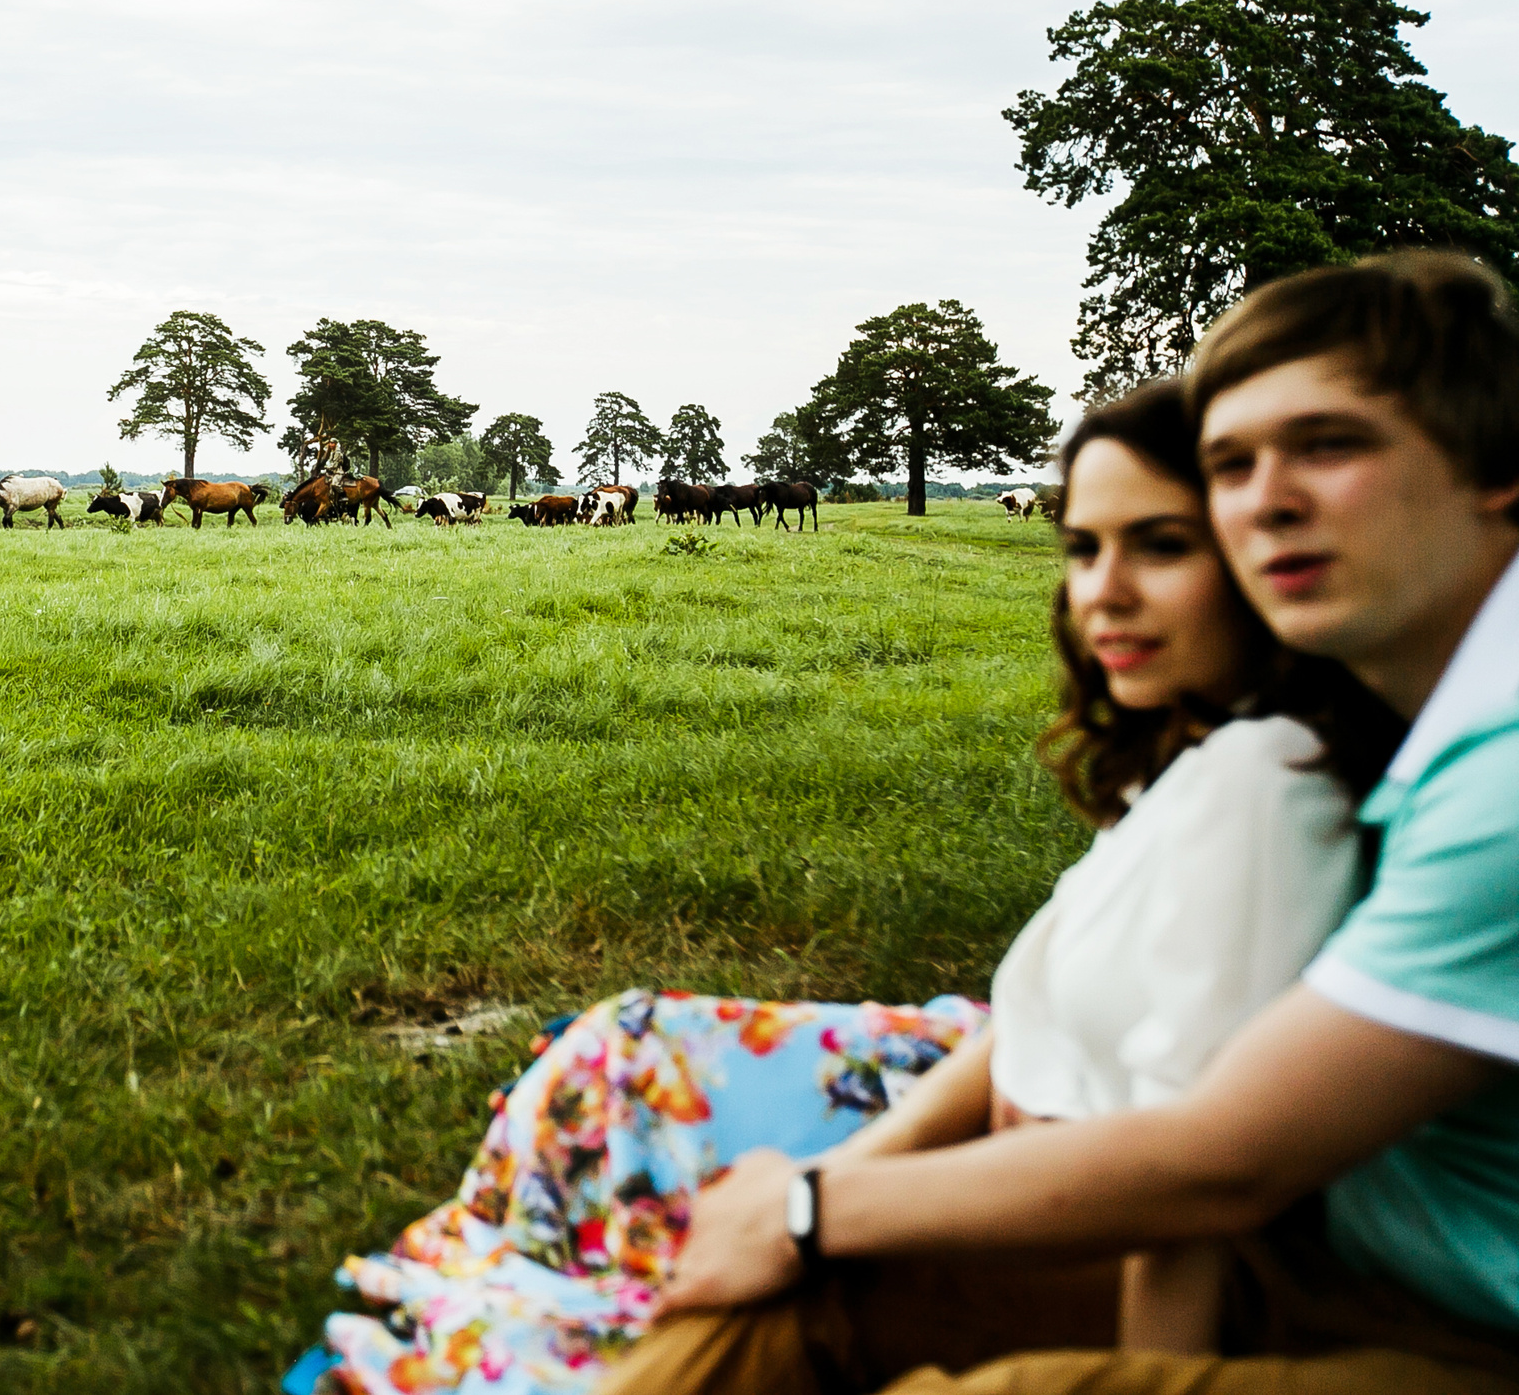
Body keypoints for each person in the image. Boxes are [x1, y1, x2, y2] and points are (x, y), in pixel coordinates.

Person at [295, 382, 1395, 1395]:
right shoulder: (1184, 762)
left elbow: (1190, 1185)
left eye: (1160, 544)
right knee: (626, 1052)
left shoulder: (1260, 781)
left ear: (1255, 556)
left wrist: (816, 1207)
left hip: (1067, 1202)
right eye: (1081, 544)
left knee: (654, 1144)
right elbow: (1033, 1025)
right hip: (1009, 1138)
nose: (1100, 589)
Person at [621, 250, 1519, 1395]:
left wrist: (805, 1200)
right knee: (771, 1323)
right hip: (1335, 1253)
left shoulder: (1482, 765)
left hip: (1451, 1323)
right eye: (1230, 464)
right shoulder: (1392, 726)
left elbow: (1217, 1163)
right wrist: (826, 1201)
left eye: (1330, 443)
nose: (1266, 500)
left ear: (1494, 466)